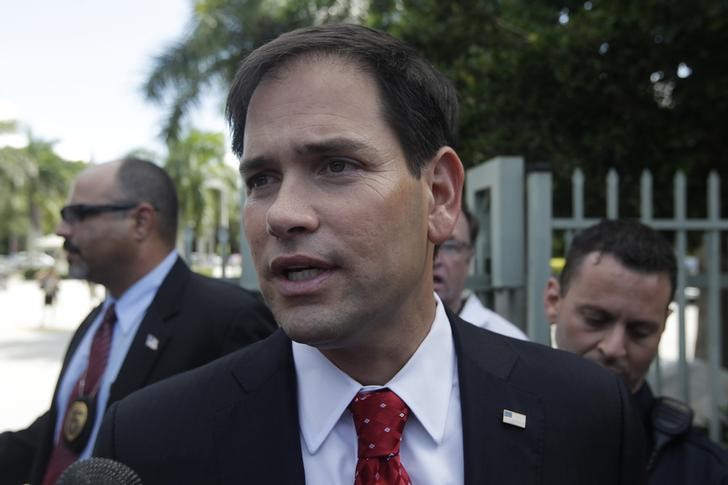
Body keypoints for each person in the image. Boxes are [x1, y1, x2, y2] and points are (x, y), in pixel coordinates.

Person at [94, 24, 646, 484]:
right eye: (261, 178)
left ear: (439, 196)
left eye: (335, 165)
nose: (283, 214)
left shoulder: (586, 413)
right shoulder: (152, 440)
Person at [0, 158, 277, 485]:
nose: (62, 230)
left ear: (141, 222)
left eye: (78, 214)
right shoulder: (97, 322)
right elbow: (61, 433)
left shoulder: (228, 318)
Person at [544, 218, 728, 484]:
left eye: (640, 331)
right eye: (596, 319)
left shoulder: (705, 473)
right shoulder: (487, 431)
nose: (614, 348)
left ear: (664, 325)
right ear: (553, 302)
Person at [434, 204, 528, 340]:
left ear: (469, 258)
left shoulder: (507, 342)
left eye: (450, 247)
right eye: (427, 243)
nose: (435, 259)